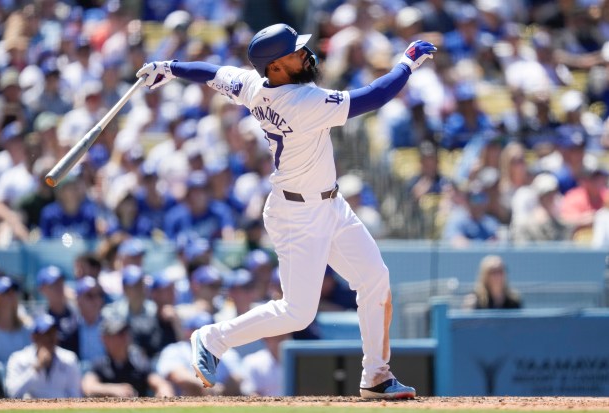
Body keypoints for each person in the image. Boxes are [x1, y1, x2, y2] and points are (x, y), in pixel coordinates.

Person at [136, 23, 437, 399]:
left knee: (375, 278)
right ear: (276, 67)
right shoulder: (301, 102)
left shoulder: (254, 85)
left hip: (330, 204)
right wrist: (406, 64)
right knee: (297, 312)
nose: (305, 54)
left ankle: (376, 375)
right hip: (297, 215)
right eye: (295, 53)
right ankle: (212, 338)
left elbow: (212, 73)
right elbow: (374, 96)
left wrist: (170, 66)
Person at [81, 316, 174, 398]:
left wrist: (164, 391)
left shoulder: (139, 362)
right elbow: (88, 387)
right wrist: (113, 390)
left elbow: (159, 383)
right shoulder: (100, 364)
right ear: (104, 339)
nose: (124, 337)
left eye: (125, 333)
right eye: (118, 334)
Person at [4, 314, 82, 399]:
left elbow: (75, 396)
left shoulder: (69, 358)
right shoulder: (18, 359)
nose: (51, 338)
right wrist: (36, 368)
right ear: (34, 337)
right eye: (46, 333)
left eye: (54, 332)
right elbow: (12, 393)